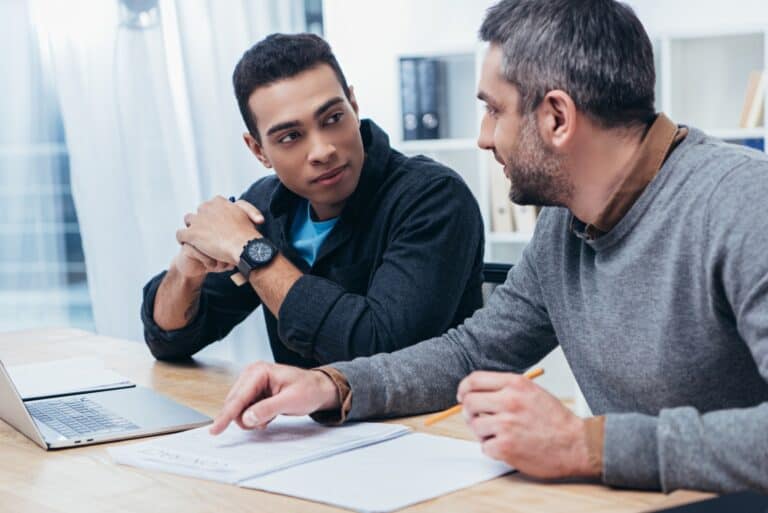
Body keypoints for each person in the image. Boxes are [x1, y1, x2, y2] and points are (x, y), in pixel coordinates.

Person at [206, 0, 768, 495]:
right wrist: (332, 384)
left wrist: (586, 444)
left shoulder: (743, 206)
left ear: (556, 117)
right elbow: (473, 351)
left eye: (494, 109)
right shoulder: (565, 224)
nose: (481, 135)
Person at [140, 33, 485, 368]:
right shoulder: (263, 206)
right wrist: (188, 266)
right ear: (258, 150)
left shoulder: (434, 197)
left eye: (333, 119)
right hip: (304, 425)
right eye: (290, 136)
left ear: (354, 104)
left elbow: (382, 354)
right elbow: (170, 341)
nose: (323, 151)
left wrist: (251, 251)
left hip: (428, 425)